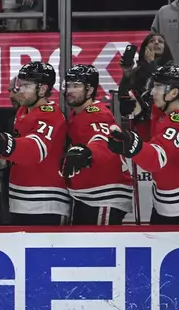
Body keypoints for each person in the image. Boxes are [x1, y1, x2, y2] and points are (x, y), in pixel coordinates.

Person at [107, 64, 179, 224]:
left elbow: (156, 159)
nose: (152, 92)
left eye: (158, 87)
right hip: (164, 201)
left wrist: (132, 145)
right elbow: (154, 136)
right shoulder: (177, 104)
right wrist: (140, 115)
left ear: (173, 93)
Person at [0, 61, 70, 225]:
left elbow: (35, 149)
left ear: (42, 89)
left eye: (27, 86)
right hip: (19, 197)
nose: (20, 90)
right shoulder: (22, 111)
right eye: (20, 85)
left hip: (45, 201)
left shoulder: (50, 115)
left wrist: (5, 145)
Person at [59, 64, 133, 225]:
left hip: (104, 194)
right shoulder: (76, 114)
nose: (69, 90)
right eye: (68, 85)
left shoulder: (98, 113)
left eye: (76, 86)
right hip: (88, 194)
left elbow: (103, 140)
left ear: (90, 90)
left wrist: (85, 150)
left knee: (101, 246)